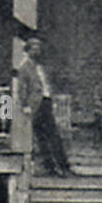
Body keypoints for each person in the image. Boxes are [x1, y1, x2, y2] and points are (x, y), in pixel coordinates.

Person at [17, 37, 73, 176]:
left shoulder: (40, 67)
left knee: (53, 135)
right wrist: (25, 105)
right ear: (28, 51)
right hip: (35, 105)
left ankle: (63, 166)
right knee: (42, 137)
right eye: (33, 49)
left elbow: (46, 85)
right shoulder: (24, 68)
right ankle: (51, 167)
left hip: (46, 102)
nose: (36, 51)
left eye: (38, 49)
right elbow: (22, 88)